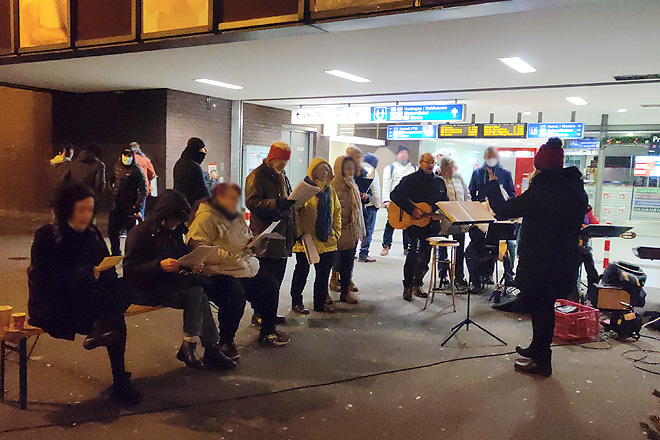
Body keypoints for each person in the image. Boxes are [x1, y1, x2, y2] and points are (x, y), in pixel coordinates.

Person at [28, 184, 141, 405]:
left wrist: (106, 273)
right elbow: (45, 280)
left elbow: (103, 266)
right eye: (81, 210)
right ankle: (120, 381)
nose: (86, 215)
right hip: (56, 304)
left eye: (90, 209)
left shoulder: (92, 233)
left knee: (126, 289)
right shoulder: (47, 236)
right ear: (67, 209)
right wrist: (88, 274)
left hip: (89, 297)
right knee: (115, 321)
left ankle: (104, 336)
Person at [485, 138, 588, 377]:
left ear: (541, 166)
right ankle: (537, 348)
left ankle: (542, 361)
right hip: (564, 259)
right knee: (544, 307)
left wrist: (492, 186)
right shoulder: (574, 189)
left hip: (542, 261)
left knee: (541, 309)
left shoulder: (543, 190)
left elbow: (505, 210)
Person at [123, 190, 236, 371]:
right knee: (197, 294)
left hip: (169, 282)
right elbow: (130, 269)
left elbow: (179, 255)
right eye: (174, 220)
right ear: (164, 215)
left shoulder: (173, 231)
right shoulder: (141, 233)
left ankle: (197, 347)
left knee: (198, 293)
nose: (177, 225)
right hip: (145, 288)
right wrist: (159, 265)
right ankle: (204, 348)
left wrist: (191, 263)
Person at [187, 183, 290, 354]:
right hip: (218, 270)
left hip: (242, 265)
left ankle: (268, 330)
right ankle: (226, 340)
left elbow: (245, 239)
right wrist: (226, 256)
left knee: (269, 284)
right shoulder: (205, 218)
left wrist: (256, 244)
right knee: (234, 294)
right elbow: (198, 248)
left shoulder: (236, 216)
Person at [244, 141, 296, 326]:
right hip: (267, 235)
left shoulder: (281, 176)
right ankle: (260, 313)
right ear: (272, 157)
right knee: (266, 280)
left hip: (282, 234)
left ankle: (269, 314)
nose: (283, 164)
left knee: (277, 279)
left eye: (285, 161)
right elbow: (251, 201)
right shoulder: (257, 176)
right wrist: (275, 203)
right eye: (281, 160)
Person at [390, 153, 449, 301]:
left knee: (425, 257)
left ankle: (418, 284)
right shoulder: (410, 180)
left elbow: (444, 202)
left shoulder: (439, 182)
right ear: (420, 162)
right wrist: (411, 209)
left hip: (431, 226)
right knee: (413, 255)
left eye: (432, 162)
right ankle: (408, 286)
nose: (430, 165)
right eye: (427, 162)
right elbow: (395, 195)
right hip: (414, 226)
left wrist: (440, 212)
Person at [290, 158, 341, 314]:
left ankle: (320, 303)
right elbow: (293, 211)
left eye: (327, 169)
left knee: (323, 274)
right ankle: (296, 302)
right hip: (306, 240)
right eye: (321, 169)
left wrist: (336, 233)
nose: (325, 172)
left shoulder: (330, 190)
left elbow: (337, 212)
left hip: (327, 240)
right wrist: (299, 233)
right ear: (312, 171)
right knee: (301, 272)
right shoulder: (304, 188)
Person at [469, 146, 517, 282]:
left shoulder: (505, 173)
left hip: (499, 218)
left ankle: (508, 276)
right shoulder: (477, 173)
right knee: (474, 247)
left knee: (510, 246)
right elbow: (472, 192)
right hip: (481, 218)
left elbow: (511, 194)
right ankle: (477, 278)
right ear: (484, 158)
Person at [328, 156, 365, 304]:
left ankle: (345, 291)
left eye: (352, 168)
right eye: (347, 168)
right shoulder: (333, 185)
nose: (350, 171)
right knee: (332, 264)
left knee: (347, 264)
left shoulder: (352, 184)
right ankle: (325, 293)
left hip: (351, 230)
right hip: (337, 231)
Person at [437, 155, 470, 287]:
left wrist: (466, 209)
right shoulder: (438, 180)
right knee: (443, 250)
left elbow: (467, 195)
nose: (452, 170)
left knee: (460, 250)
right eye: (449, 167)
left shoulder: (459, 179)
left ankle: (459, 276)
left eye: (453, 167)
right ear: (443, 168)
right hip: (444, 220)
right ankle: (443, 275)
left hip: (459, 219)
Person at [108, 149, 146, 256]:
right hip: (116, 206)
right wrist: (112, 191)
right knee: (113, 231)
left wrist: (138, 204)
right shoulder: (116, 167)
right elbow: (110, 181)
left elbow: (143, 189)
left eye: (129, 156)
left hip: (129, 206)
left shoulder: (137, 171)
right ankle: (115, 252)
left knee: (131, 233)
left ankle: (130, 253)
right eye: (125, 156)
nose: (126, 158)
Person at [381, 146, 417, 256]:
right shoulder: (390, 168)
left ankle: (407, 247)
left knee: (408, 224)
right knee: (391, 223)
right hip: (395, 200)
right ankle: (386, 246)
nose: (404, 154)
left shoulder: (414, 168)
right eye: (401, 152)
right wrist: (386, 200)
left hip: (409, 201)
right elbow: (387, 184)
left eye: (406, 152)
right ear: (397, 154)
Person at [174, 137, 210, 206]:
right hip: (191, 206)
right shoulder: (194, 166)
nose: (204, 152)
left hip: (179, 203)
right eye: (202, 150)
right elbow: (201, 191)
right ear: (196, 150)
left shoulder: (179, 163)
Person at [359, 153, 382, 262]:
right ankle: (364, 253)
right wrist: (377, 205)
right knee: (368, 230)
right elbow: (375, 190)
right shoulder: (372, 171)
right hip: (369, 205)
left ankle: (352, 252)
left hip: (359, 205)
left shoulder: (357, 169)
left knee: (358, 229)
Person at [581, 204, 601, 304]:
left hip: (584, 247)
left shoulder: (587, 211)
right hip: (571, 247)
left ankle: (592, 295)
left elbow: (595, 225)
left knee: (592, 272)